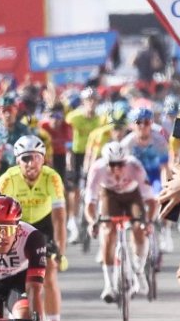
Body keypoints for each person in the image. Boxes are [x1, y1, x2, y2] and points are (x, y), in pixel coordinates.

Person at [0, 135, 67, 321]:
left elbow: (59, 217)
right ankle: (13, 309)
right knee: (8, 269)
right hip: (14, 226)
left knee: (50, 273)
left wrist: (60, 251)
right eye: (25, 158)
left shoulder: (52, 177)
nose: (30, 163)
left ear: (43, 159)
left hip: (42, 226)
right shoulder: (7, 179)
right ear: (18, 161)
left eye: (35, 158)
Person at [85, 141, 156, 302]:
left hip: (132, 194)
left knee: (139, 227)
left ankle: (138, 270)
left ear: (127, 161)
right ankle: (109, 284)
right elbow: (90, 202)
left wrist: (149, 222)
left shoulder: (135, 167)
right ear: (105, 162)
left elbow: (151, 200)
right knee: (108, 230)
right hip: (109, 194)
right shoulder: (97, 169)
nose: (117, 168)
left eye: (121, 164)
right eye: (112, 164)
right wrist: (92, 222)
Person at [65, 88, 102, 241]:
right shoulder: (73, 117)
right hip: (76, 153)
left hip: (93, 154)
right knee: (74, 189)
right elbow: (67, 139)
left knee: (97, 187)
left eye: (94, 100)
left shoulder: (100, 119)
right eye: (88, 101)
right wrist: (69, 163)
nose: (91, 103)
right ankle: (72, 222)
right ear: (84, 102)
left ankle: (95, 217)